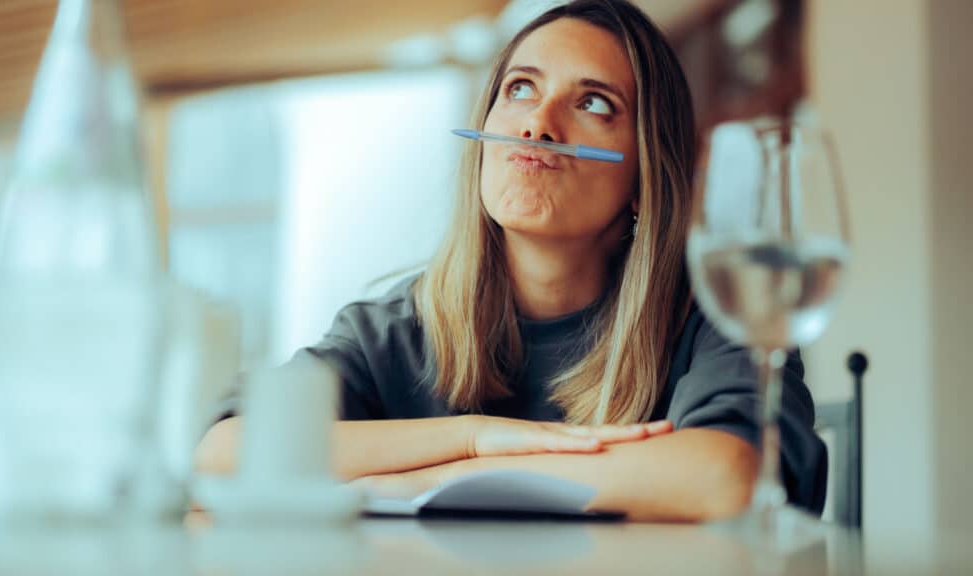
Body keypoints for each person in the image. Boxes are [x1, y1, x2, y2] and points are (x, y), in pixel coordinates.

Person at [197, 0, 827, 522]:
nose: (538, 125)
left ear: (643, 177)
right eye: (520, 88)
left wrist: (442, 479)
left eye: (594, 103)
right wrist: (472, 435)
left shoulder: (714, 315)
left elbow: (724, 476)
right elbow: (224, 450)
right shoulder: (392, 328)